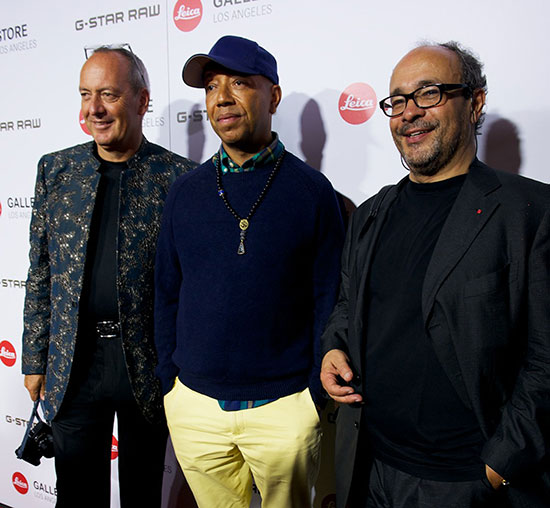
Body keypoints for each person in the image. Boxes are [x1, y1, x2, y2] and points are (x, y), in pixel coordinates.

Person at [320, 41, 550, 508]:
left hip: (464, 481)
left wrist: (500, 463)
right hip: (371, 468)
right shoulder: (370, 214)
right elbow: (348, 304)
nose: (409, 112)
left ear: (475, 102)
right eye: (397, 100)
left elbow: (546, 359)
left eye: (429, 93)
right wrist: (333, 346)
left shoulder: (529, 212)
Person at [154, 35, 344, 508]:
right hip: (195, 406)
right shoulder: (184, 192)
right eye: (211, 86)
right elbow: (166, 292)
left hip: (285, 407)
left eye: (238, 82)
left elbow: (329, 297)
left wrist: (310, 400)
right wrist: (171, 384)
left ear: (273, 96)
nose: (221, 97)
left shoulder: (313, 192)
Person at [22, 45, 195, 508]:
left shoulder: (179, 179)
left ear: (142, 100)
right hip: (73, 363)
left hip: (148, 364)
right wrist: (34, 359)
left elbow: (190, 285)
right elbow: (40, 271)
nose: (93, 109)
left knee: (143, 493)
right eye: (86, 94)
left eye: (108, 95)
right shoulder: (56, 170)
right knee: (77, 495)